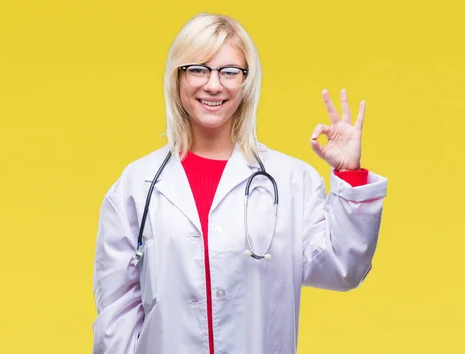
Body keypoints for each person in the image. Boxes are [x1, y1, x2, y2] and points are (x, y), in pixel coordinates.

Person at [92, 12, 388, 354]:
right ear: (177, 77)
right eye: (198, 69)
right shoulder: (135, 187)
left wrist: (350, 173)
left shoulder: (291, 182)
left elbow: (343, 268)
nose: (214, 85)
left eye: (229, 71)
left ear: (247, 82)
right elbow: (117, 316)